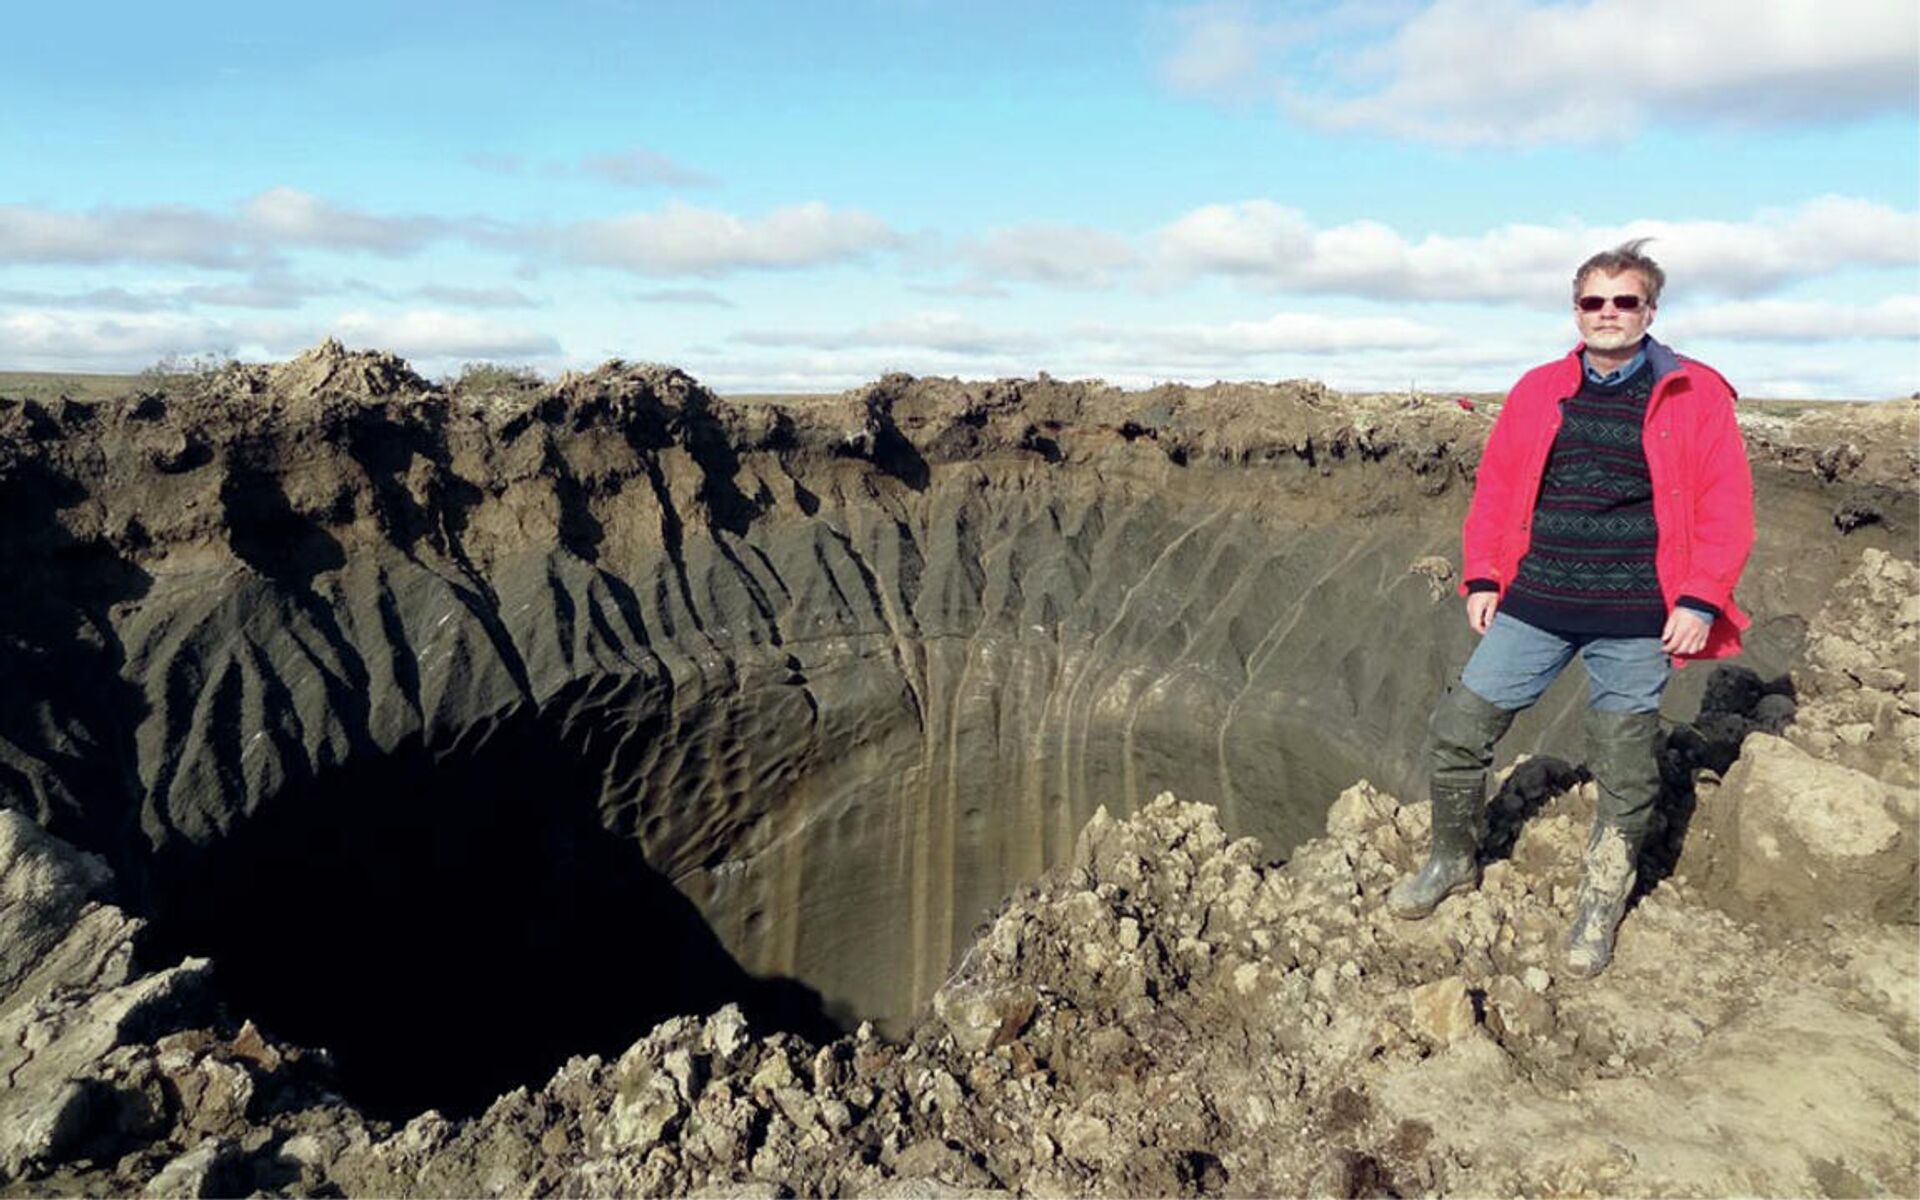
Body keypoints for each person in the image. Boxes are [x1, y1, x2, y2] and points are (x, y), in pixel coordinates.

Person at [1389, 238, 1755, 978]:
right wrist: (1484, 576)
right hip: (1538, 599)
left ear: (1651, 310)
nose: (1609, 313)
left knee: (1625, 765)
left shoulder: (1696, 393)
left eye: (1626, 301)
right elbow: (1495, 489)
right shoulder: (1538, 389)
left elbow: (1726, 506)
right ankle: (1452, 859)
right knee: (1459, 732)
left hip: (1639, 613)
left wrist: (1698, 597)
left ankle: (1600, 899)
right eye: (1595, 301)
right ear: (1576, 309)